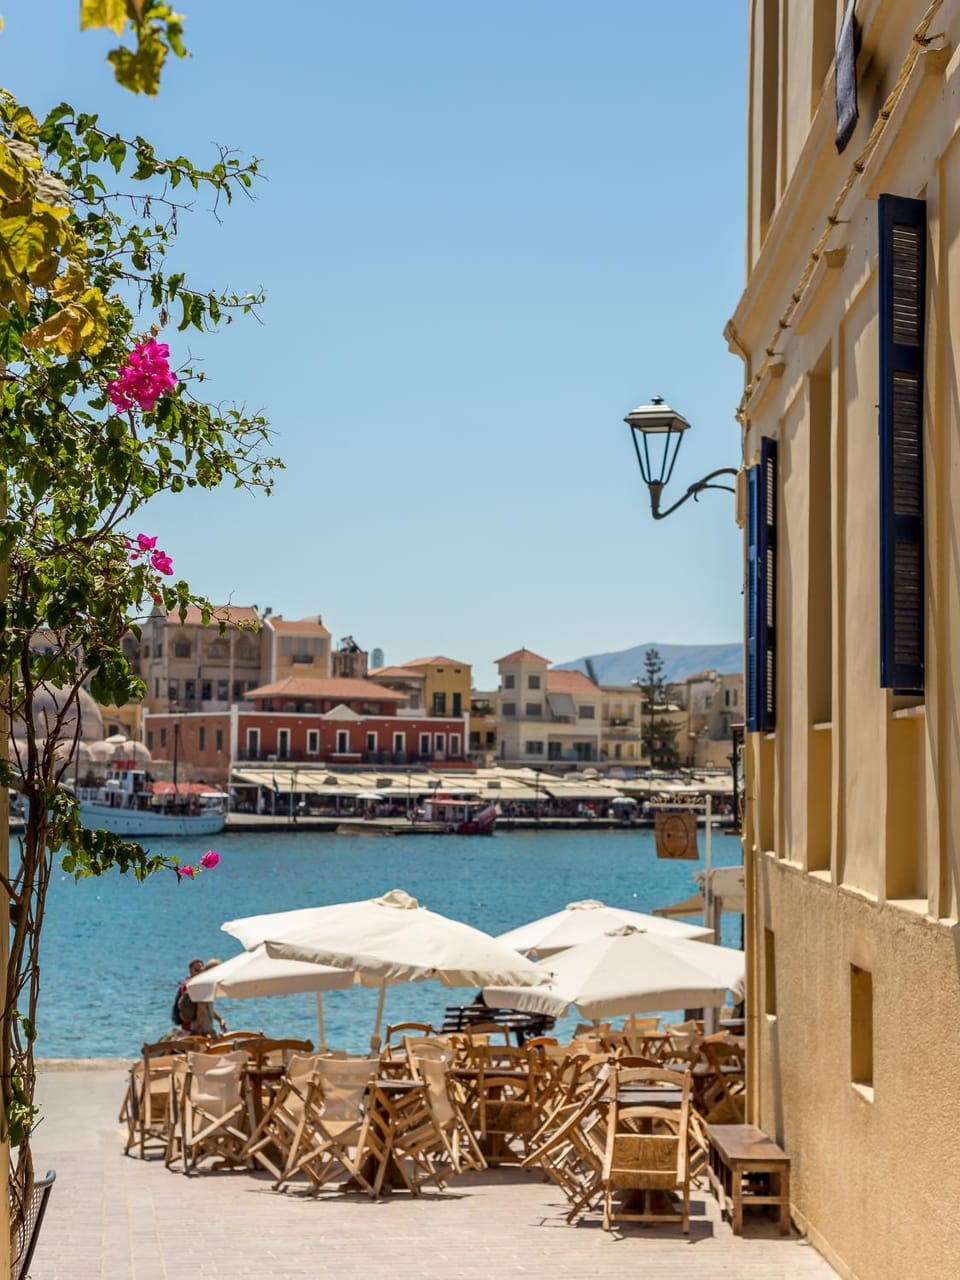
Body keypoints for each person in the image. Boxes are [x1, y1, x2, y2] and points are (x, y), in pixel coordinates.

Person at [192, 957, 228, 1037]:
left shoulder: (208, 986)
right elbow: (200, 1009)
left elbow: (208, 1009)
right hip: (202, 1032)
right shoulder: (205, 987)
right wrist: (199, 1033)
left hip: (207, 1030)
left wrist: (220, 1019)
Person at [173, 957, 204, 1032]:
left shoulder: (193, 983)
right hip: (190, 1024)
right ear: (190, 970)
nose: (199, 973)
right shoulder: (189, 985)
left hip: (190, 1023)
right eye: (196, 970)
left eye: (201, 971)